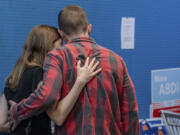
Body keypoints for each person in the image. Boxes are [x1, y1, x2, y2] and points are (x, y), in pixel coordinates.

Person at [10, 5, 139, 135]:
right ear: (89, 28)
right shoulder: (116, 60)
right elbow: (130, 111)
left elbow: (46, 96)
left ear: (61, 33)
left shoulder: (57, 57)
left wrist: (17, 111)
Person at [1, 25, 101, 135]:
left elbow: (2, 123)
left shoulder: (14, 76)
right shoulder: (42, 75)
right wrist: (80, 81)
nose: (61, 52)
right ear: (48, 47)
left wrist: (20, 116)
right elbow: (58, 116)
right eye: (59, 46)